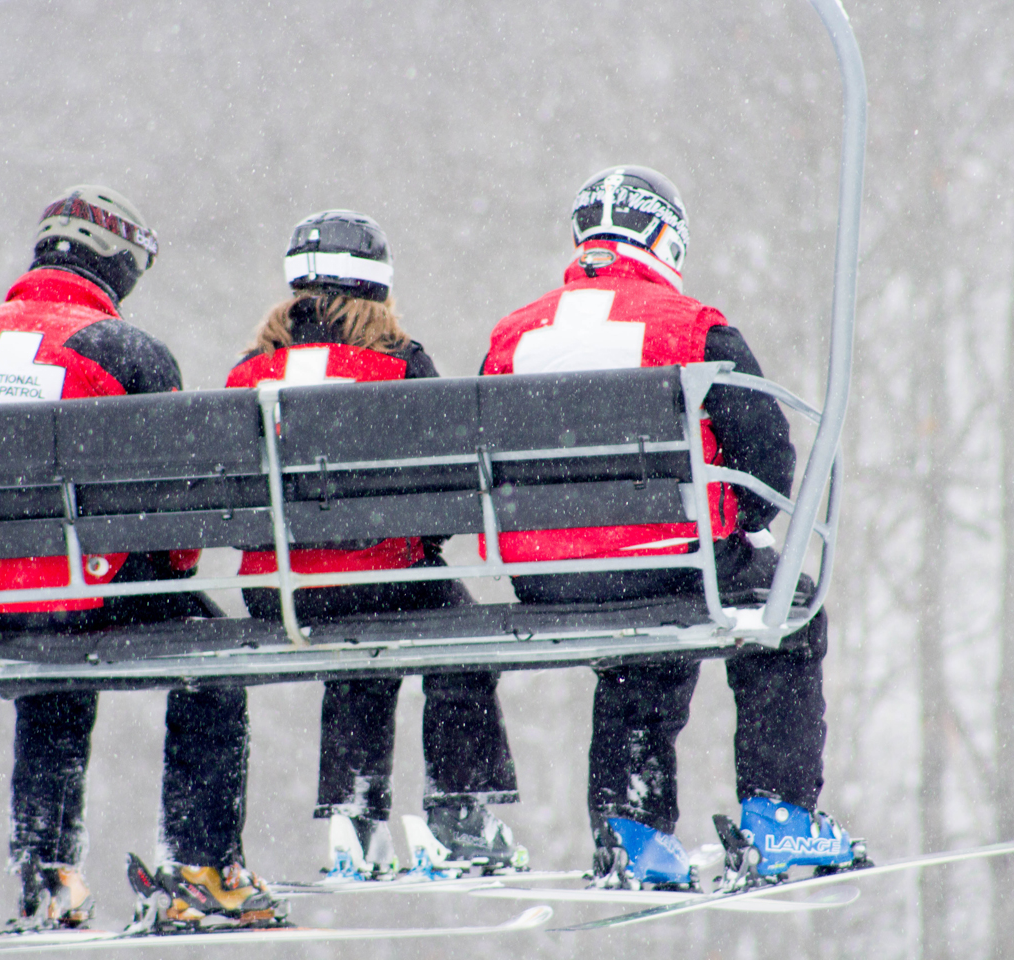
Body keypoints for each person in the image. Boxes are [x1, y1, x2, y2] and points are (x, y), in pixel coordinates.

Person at [0, 186, 285, 929]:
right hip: (88, 587)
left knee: (50, 662)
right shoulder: (127, 352)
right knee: (212, 669)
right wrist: (170, 574)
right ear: (114, 267)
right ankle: (202, 863)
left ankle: (46, 873)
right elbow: (177, 513)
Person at [481, 167, 857, 888]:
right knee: (788, 611)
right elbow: (766, 452)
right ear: (665, 238)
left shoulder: (512, 336)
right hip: (669, 557)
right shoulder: (692, 327)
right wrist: (740, 526)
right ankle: (780, 816)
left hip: (549, 579)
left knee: (642, 647)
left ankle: (633, 829)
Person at [225, 210, 525, 877]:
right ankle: (458, 813)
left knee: (355, 644)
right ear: (379, 286)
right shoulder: (398, 363)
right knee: (461, 638)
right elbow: (449, 480)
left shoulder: (250, 372)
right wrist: (415, 540)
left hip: (280, 591)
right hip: (383, 574)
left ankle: (354, 822)